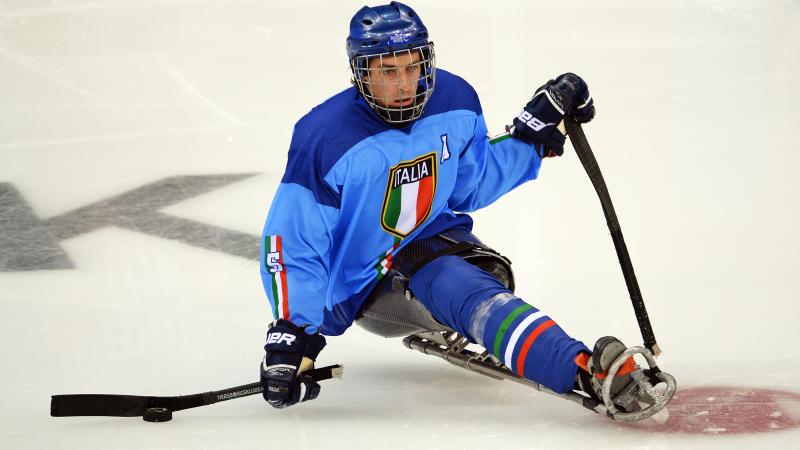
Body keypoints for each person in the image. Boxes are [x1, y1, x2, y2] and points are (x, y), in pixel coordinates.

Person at [259, 1, 639, 411]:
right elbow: (294, 242)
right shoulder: (324, 138)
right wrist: (292, 333)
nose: (405, 83)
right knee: (460, 286)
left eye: (412, 66)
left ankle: (505, 331)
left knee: (485, 277)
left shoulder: (454, 99)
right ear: (361, 73)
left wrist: (533, 137)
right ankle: (583, 371)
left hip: (433, 238)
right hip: (362, 278)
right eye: (387, 71)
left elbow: (469, 185)